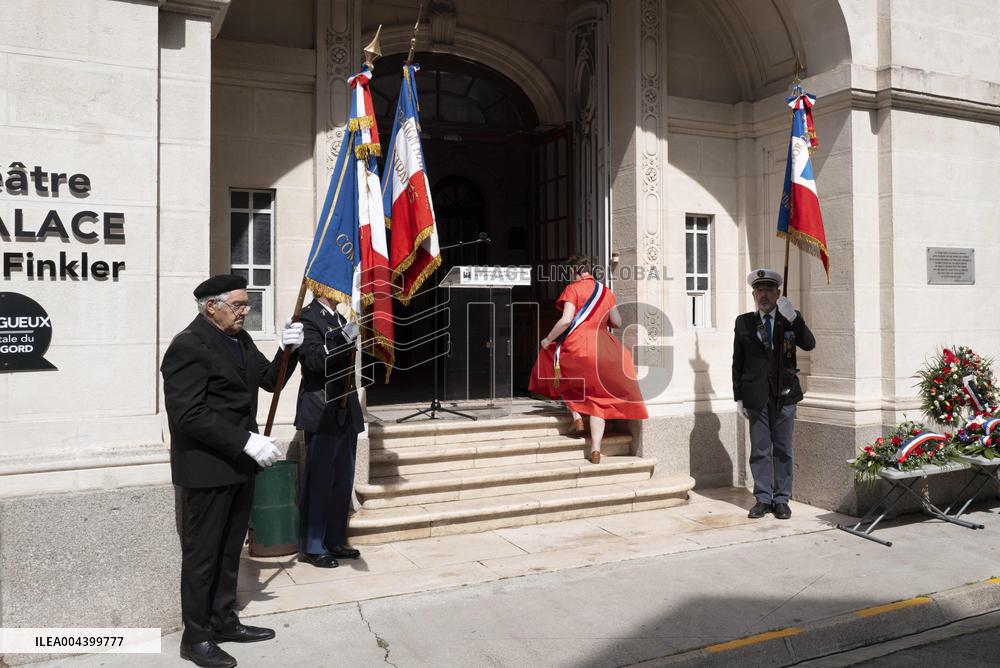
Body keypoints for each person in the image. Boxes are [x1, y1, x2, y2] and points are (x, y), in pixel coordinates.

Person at [161, 274, 303, 668]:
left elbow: (269, 382)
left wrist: (285, 352)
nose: (246, 311)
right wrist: (245, 440)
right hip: (207, 469)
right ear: (211, 306)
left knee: (229, 550)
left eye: (247, 305)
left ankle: (224, 619)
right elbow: (188, 414)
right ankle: (196, 636)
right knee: (203, 554)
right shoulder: (187, 346)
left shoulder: (238, 340)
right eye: (239, 305)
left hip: (240, 466)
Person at [529, 254, 648, 463]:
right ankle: (595, 450)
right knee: (598, 401)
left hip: (579, 344)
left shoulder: (573, 289)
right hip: (605, 348)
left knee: (559, 373)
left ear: (574, 272)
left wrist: (547, 339)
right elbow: (617, 322)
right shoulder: (606, 292)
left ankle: (576, 415)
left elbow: (566, 321)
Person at [732, 268, 816, 520]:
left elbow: (809, 344)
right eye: (759, 290)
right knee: (759, 449)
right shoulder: (744, 322)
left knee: (783, 449)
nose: (764, 295)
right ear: (754, 294)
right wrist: (738, 395)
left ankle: (781, 500)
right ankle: (762, 498)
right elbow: (738, 361)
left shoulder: (788, 318)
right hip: (756, 395)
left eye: (769, 289)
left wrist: (795, 319)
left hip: (785, 393)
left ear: (778, 293)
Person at [294, 295, 364, 568]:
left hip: (345, 410)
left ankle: (335, 539)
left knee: (342, 480)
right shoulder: (307, 318)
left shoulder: (340, 318)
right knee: (320, 479)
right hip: (321, 408)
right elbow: (313, 361)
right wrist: (342, 339)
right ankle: (313, 545)